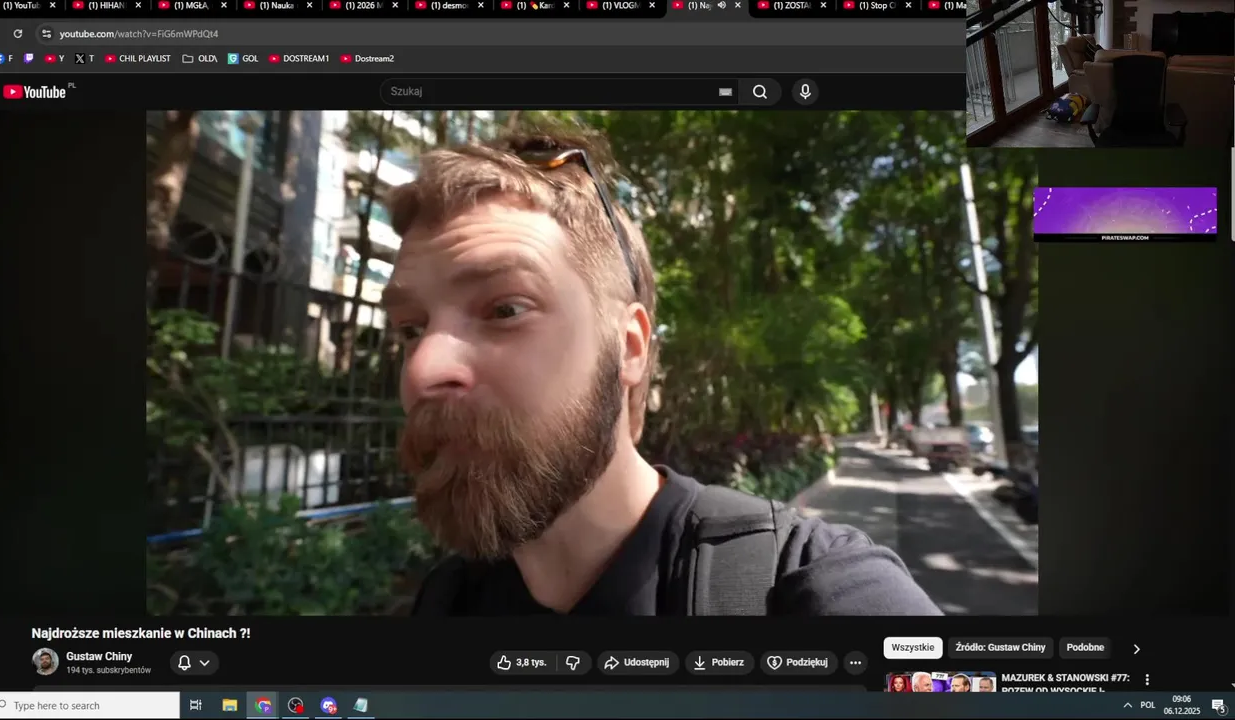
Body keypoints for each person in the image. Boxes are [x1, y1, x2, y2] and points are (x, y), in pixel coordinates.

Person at [390, 128, 942, 617]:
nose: (422, 369)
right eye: (411, 329)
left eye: (505, 309)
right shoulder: (445, 601)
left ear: (629, 348)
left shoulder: (812, 585)